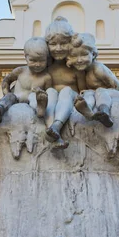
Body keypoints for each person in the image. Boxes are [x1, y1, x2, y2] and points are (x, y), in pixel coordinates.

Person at [66, 32, 119, 127]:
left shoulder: (98, 69)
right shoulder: (80, 73)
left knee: (100, 91)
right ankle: (88, 111)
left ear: (93, 54)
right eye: (74, 56)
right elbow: (82, 90)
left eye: (84, 55)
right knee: (87, 93)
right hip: (97, 95)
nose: (79, 60)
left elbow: (116, 87)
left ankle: (104, 112)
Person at [42, 16, 86, 148]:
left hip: (70, 99)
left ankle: (57, 125)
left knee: (66, 91)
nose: (58, 48)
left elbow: (83, 90)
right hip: (51, 102)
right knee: (50, 91)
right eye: (53, 44)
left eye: (63, 43)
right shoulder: (46, 68)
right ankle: (52, 129)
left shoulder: (76, 68)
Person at [0, 37, 52, 123]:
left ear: (47, 59)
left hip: (32, 102)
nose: (37, 64)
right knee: (10, 97)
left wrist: (42, 97)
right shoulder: (20, 71)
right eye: (33, 60)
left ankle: (40, 109)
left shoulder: (46, 77)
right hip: (16, 99)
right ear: (26, 57)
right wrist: (6, 93)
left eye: (42, 61)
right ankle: (0, 109)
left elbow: (49, 93)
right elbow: (6, 81)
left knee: (34, 97)